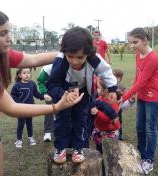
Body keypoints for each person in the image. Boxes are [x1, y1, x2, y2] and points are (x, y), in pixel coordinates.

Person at [0, 7, 83, 176]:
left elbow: (34, 59)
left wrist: (68, 52)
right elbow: (12, 108)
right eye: (2, 34)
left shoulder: (2, 54)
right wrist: (55, 107)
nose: (9, 38)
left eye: (8, 32)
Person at [47, 27, 117, 164]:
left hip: (84, 92)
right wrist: (63, 95)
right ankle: (60, 148)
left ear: (88, 53)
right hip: (64, 92)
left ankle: (78, 148)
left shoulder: (93, 58)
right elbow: (52, 84)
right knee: (62, 120)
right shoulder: (60, 61)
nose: (74, 61)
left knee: (81, 121)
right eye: (70, 56)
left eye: (80, 57)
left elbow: (105, 71)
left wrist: (112, 88)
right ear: (64, 52)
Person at [122, 28, 158, 175]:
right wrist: (132, 95)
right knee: (139, 127)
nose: (132, 46)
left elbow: (142, 82)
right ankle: (140, 153)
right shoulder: (138, 55)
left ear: (145, 40)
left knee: (150, 130)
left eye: (135, 42)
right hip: (142, 97)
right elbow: (137, 77)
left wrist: (123, 97)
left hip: (153, 98)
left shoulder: (153, 58)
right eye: (130, 42)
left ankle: (149, 160)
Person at [11, 68, 50, 148]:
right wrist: (19, 104)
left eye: (28, 73)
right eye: (24, 73)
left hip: (30, 108)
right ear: (20, 75)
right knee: (20, 124)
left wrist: (44, 96)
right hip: (21, 109)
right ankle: (19, 140)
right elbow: (13, 96)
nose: (27, 74)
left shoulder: (32, 84)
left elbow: (36, 94)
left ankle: (31, 137)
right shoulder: (17, 85)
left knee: (29, 123)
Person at [90, 78, 120, 153]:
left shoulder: (112, 102)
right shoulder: (100, 98)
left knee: (109, 153)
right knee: (100, 151)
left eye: (99, 88)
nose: (97, 89)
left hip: (109, 134)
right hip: (100, 132)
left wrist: (97, 113)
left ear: (106, 90)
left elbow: (110, 120)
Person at [112, 68, 135, 140]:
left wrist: (130, 101)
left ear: (119, 79)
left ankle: (119, 138)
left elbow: (125, 102)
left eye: (115, 76)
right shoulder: (106, 86)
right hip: (108, 111)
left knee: (118, 126)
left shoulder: (122, 88)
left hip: (118, 111)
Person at [37, 64, 54, 142]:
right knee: (49, 109)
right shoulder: (47, 69)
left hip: (60, 89)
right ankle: (48, 132)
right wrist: (44, 93)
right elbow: (41, 82)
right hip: (48, 90)